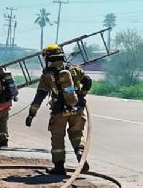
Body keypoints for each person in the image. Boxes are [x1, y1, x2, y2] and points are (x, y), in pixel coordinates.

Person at [24, 44, 93, 175]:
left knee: (57, 138)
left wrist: (31, 115)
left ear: (48, 57)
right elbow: (88, 81)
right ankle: (80, 155)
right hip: (77, 109)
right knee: (77, 134)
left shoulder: (47, 76)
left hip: (59, 111)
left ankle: (59, 167)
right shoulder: (74, 69)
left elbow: (39, 97)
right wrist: (82, 95)